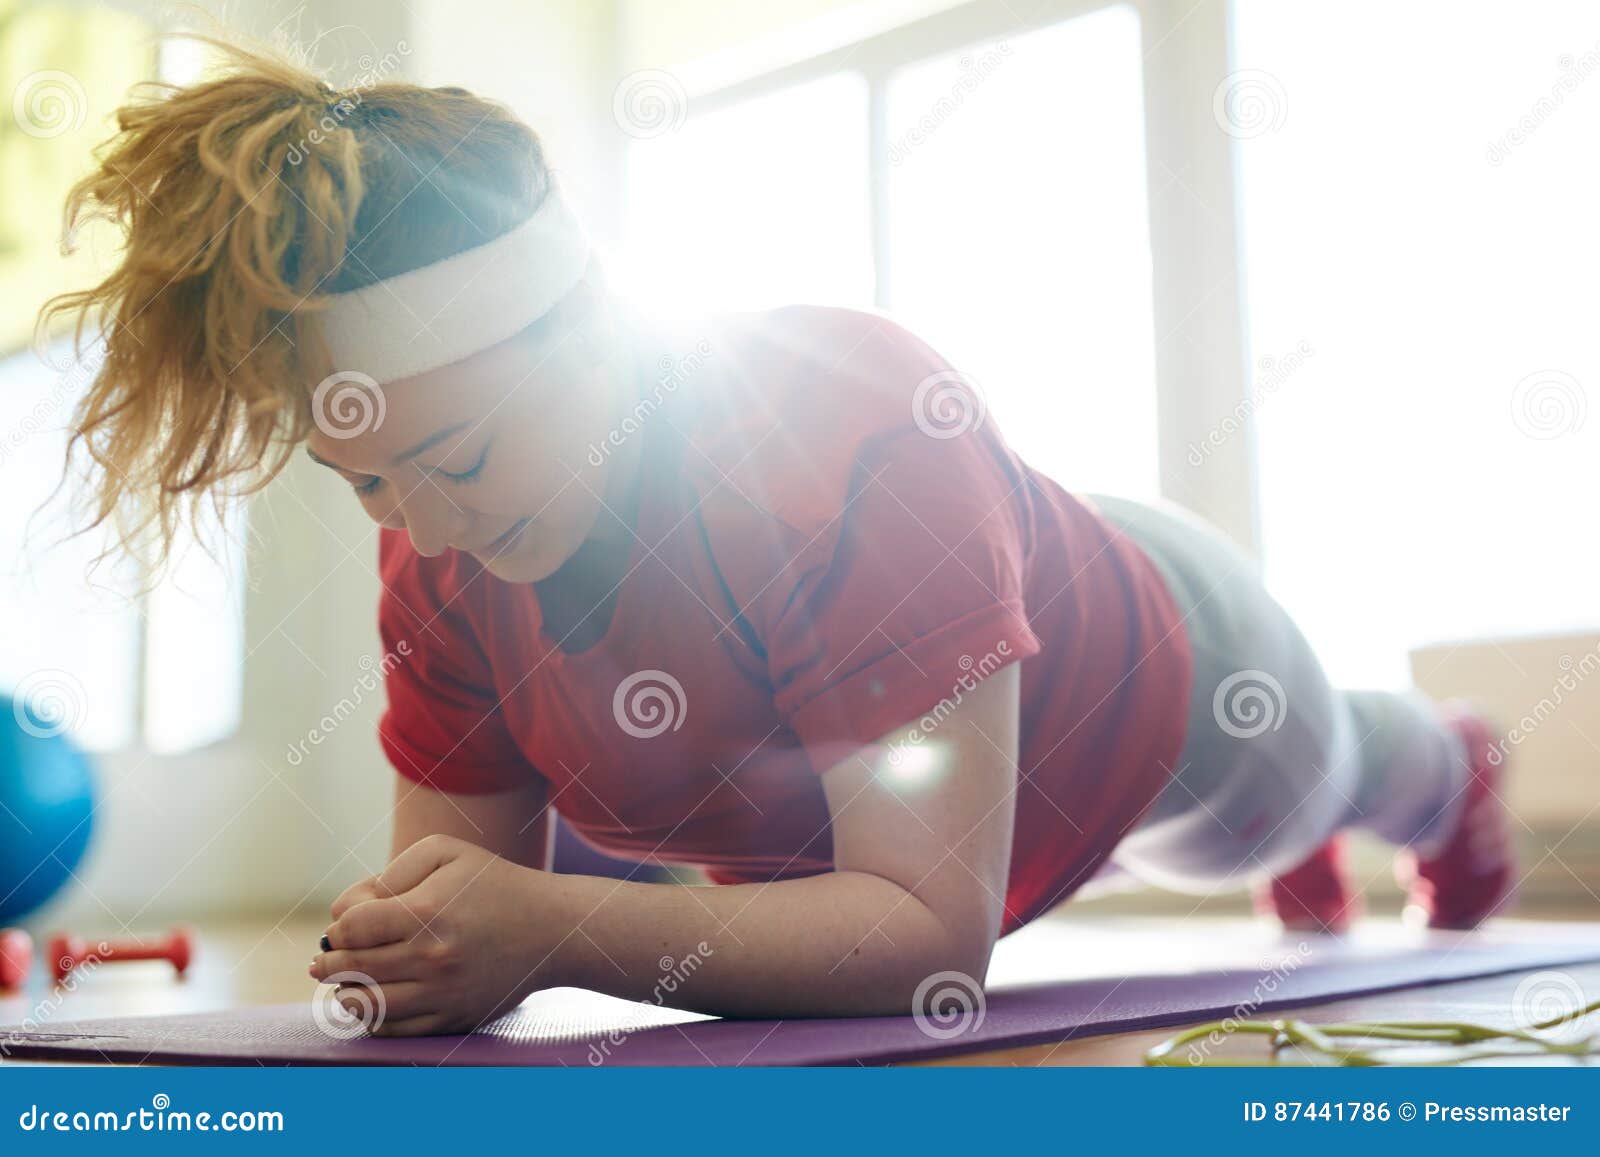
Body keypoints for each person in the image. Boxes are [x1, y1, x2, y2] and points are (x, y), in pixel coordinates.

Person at [42, 42, 1513, 1036]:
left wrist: (549, 931)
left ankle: (1452, 766)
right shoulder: (438, 542)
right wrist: (423, 951)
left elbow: (927, 943)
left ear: (595, 340)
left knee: (1311, 788)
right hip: (899, 811)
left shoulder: (850, 425)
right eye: (363, 481)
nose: (425, 525)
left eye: (460, 456)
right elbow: (464, 906)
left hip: (1166, 672)